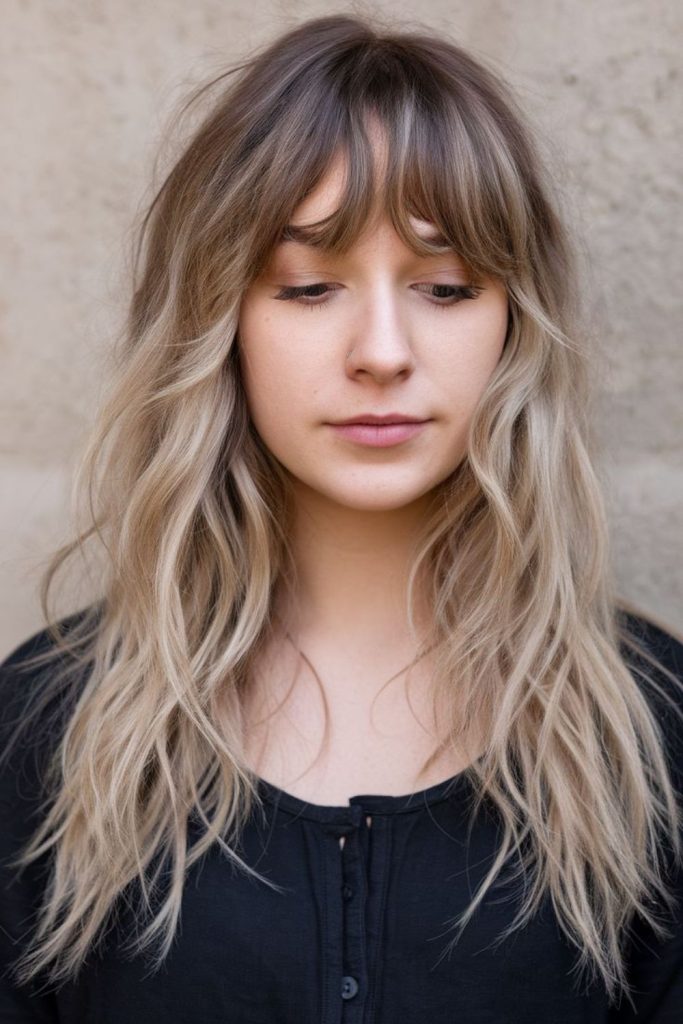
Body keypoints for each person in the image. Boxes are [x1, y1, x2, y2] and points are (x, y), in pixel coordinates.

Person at [1, 12, 682, 1022]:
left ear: (512, 324)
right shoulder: (47, 726)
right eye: (309, 285)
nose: (380, 349)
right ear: (218, 320)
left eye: (444, 286)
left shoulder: (645, 732)